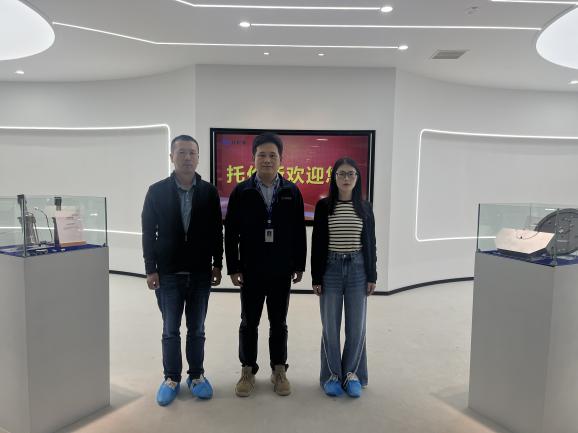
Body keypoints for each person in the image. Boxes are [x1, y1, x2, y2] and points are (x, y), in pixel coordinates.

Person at [141, 134, 223, 406]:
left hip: (200, 273)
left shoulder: (209, 192)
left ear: (198, 158)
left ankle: (196, 376)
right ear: (171, 157)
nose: (187, 157)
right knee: (170, 329)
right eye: (181, 152)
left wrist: (218, 264)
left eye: (192, 153)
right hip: (168, 273)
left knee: (197, 329)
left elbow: (216, 232)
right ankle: (171, 378)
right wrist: (150, 269)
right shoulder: (156, 191)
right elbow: (148, 233)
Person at [225, 132, 306, 397]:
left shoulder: (291, 191)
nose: (267, 160)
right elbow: (231, 233)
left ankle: (279, 369)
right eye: (262, 155)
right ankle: (247, 369)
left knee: (278, 322)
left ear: (281, 159)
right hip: (251, 270)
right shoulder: (242, 191)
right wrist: (234, 267)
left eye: (273, 155)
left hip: (281, 269)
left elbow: (298, 232)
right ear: (253, 158)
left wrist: (299, 264)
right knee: (249, 322)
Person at [311, 157, 377, 398]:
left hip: (358, 269)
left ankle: (352, 374)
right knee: (330, 326)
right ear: (334, 178)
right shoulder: (324, 206)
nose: (346, 178)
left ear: (357, 178)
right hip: (331, 269)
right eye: (341, 174)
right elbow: (317, 242)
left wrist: (372, 275)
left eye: (351, 174)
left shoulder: (365, 207)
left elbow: (370, 243)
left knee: (356, 327)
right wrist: (316, 277)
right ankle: (331, 375)